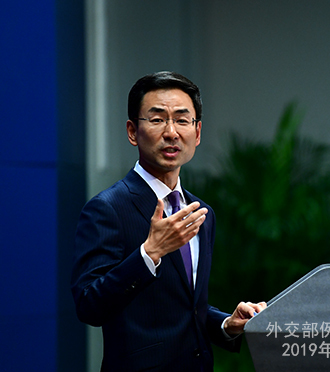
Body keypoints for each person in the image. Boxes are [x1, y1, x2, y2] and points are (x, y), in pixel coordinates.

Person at [71, 71, 266, 372]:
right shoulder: (107, 208)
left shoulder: (202, 212)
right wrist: (148, 254)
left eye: (182, 119)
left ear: (197, 133)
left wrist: (227, 323)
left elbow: (185, 307)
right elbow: (89, 306)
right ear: (133, 131)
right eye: (158, 118)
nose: (171, 131)